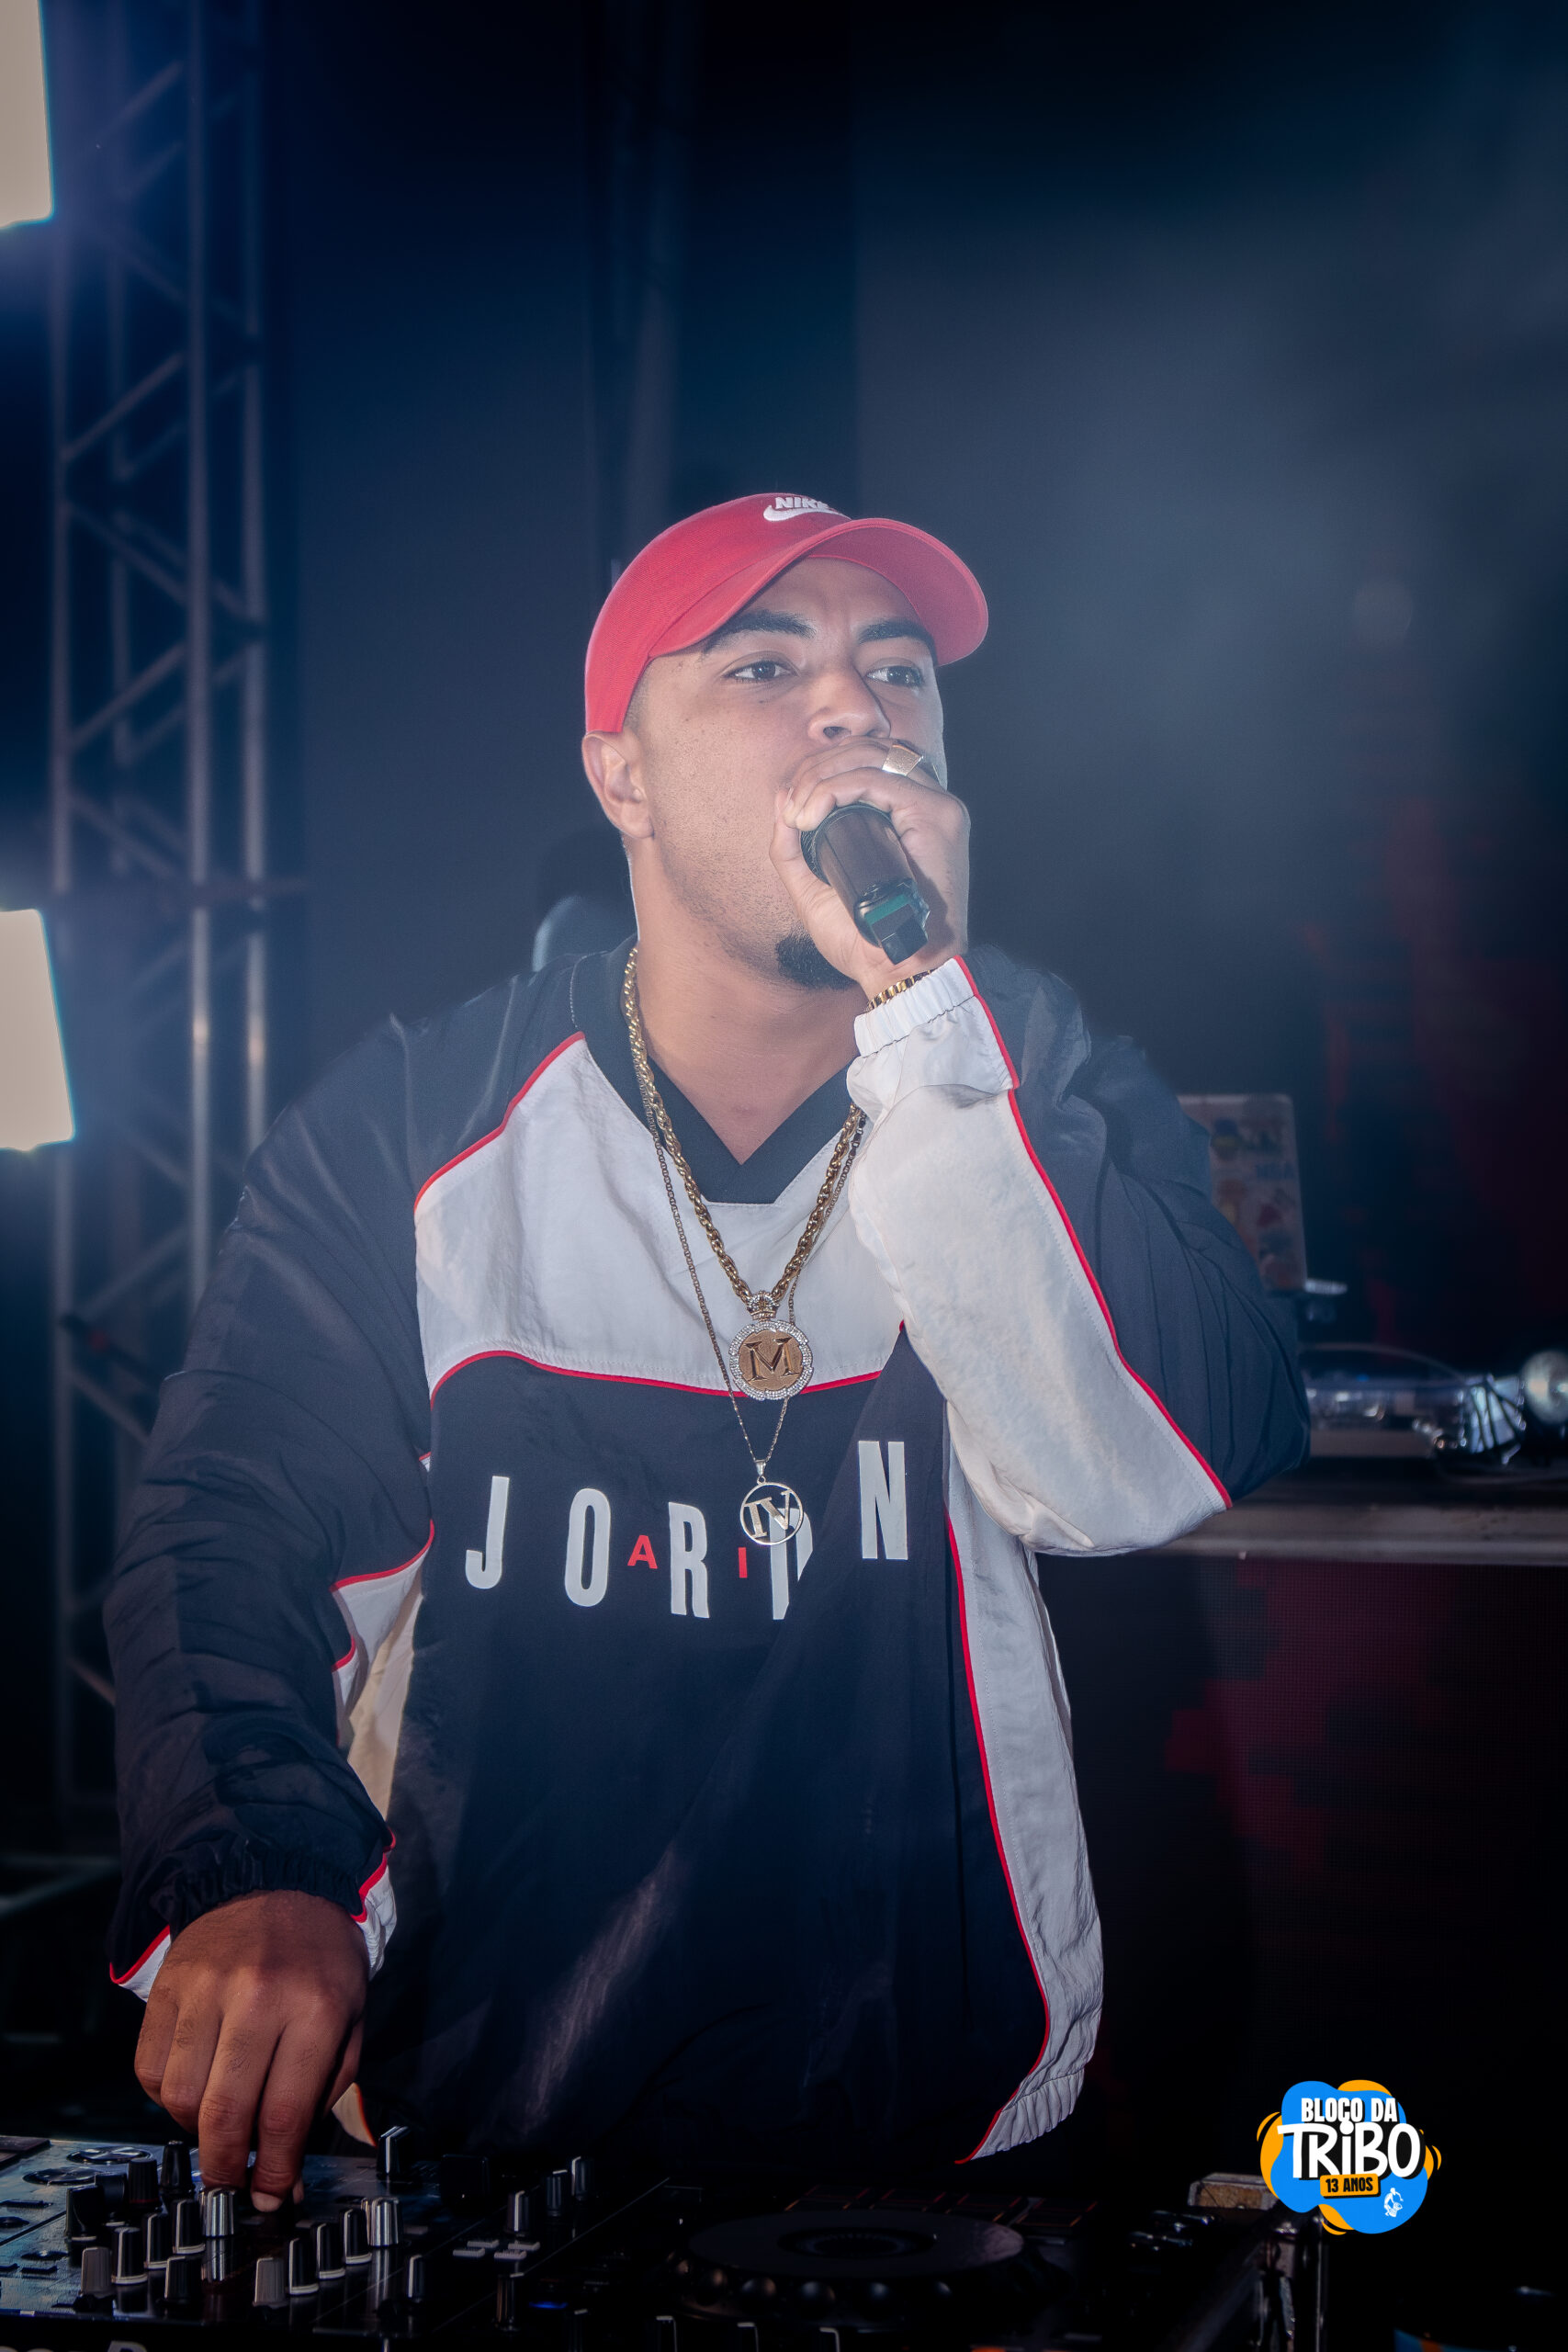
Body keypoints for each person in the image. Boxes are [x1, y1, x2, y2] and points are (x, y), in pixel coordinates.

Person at [106, 492, 1308, 2204]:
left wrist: (925, 1014)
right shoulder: (411, 1125)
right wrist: (255, 1865)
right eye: (765, 665)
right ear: (624, 777)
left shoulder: (1030, 1069)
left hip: (935, 2127)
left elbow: (1145, 1467)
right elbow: (231, 1526)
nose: (857, 707)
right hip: (477, 2114)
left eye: (899, 670)